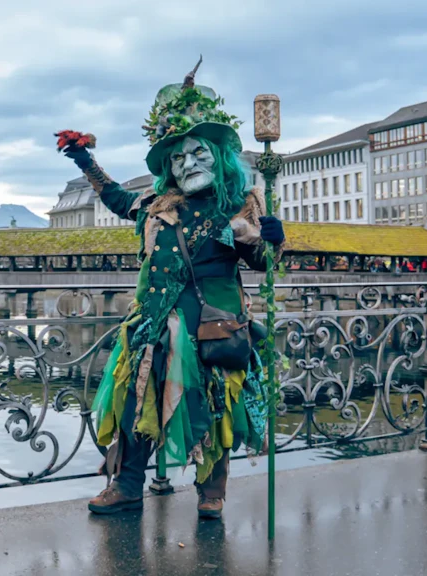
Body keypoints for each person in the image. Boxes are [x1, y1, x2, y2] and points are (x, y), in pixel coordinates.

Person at [56, 59, 284, 520]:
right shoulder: (155, 204)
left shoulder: (238, 206)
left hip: (215, 325)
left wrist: (272, 239)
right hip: (154, 323)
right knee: (135, 399)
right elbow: (115, 197)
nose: (188, 163)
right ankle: (127, 486)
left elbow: (263, 264)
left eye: (198, 153)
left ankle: (211, 493)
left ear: (217, 156)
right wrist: (84, 160)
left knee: (215, 405)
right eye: (177, 158)